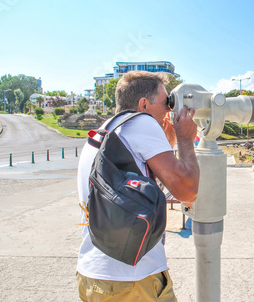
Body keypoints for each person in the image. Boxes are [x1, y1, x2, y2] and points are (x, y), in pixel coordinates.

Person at [76, 71, 199, 302]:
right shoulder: (141, 122)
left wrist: (168, 141)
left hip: (93, 274)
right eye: (165, 103)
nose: (168, 111)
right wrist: (185, 140)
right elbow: (188, 190)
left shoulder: (104, 133)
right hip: (132, 281)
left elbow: (137, 188)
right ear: (143, 104)